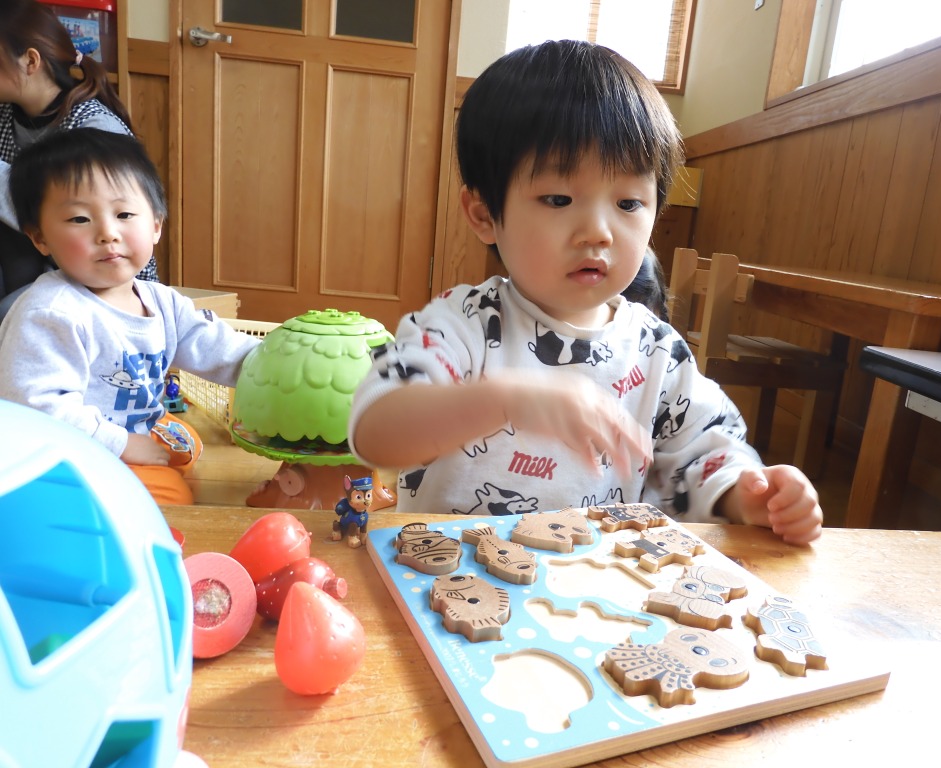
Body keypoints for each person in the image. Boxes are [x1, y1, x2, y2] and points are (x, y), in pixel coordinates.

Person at [348, 40, 822, 545]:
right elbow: (377, 430)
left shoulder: (657, 352)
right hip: (452, 575)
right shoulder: (461, 325)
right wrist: (507, 400)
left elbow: (706, 451)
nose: (598, 231)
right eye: (558, 198)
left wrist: (748, 493)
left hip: (594, 580)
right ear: (484, 214)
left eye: (628, 203)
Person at [0, 128, 261, 505]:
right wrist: (120, 444)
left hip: (131, 426)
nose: (108, 233)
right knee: (167, 500)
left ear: (155, 224)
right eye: (79, 219)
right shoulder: (50, 313)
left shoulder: (161, 301)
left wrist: (272, 362)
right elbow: (38, 409)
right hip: (72, 452)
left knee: (186, 446)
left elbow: (215, 347)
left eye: (124, 214)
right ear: (40, 238)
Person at [0, 0, 158, 323]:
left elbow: (74, 216)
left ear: (30, 61)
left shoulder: (94, 126)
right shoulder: (6, 113)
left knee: (12, 316)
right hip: (44, 260)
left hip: (101, 275)